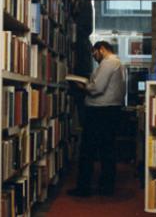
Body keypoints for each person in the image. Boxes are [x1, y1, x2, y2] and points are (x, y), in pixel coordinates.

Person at [67, 41, 126, 197]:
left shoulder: (109, 62)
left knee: (88, 150)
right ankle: (106, 187)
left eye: (95, 54)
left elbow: (97, 88)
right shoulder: (118, 63)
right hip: (110, 111)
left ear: (102, 49)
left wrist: (84, 86)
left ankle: (84, 188)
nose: (94, 58)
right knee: (107, 149)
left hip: (100, 112)